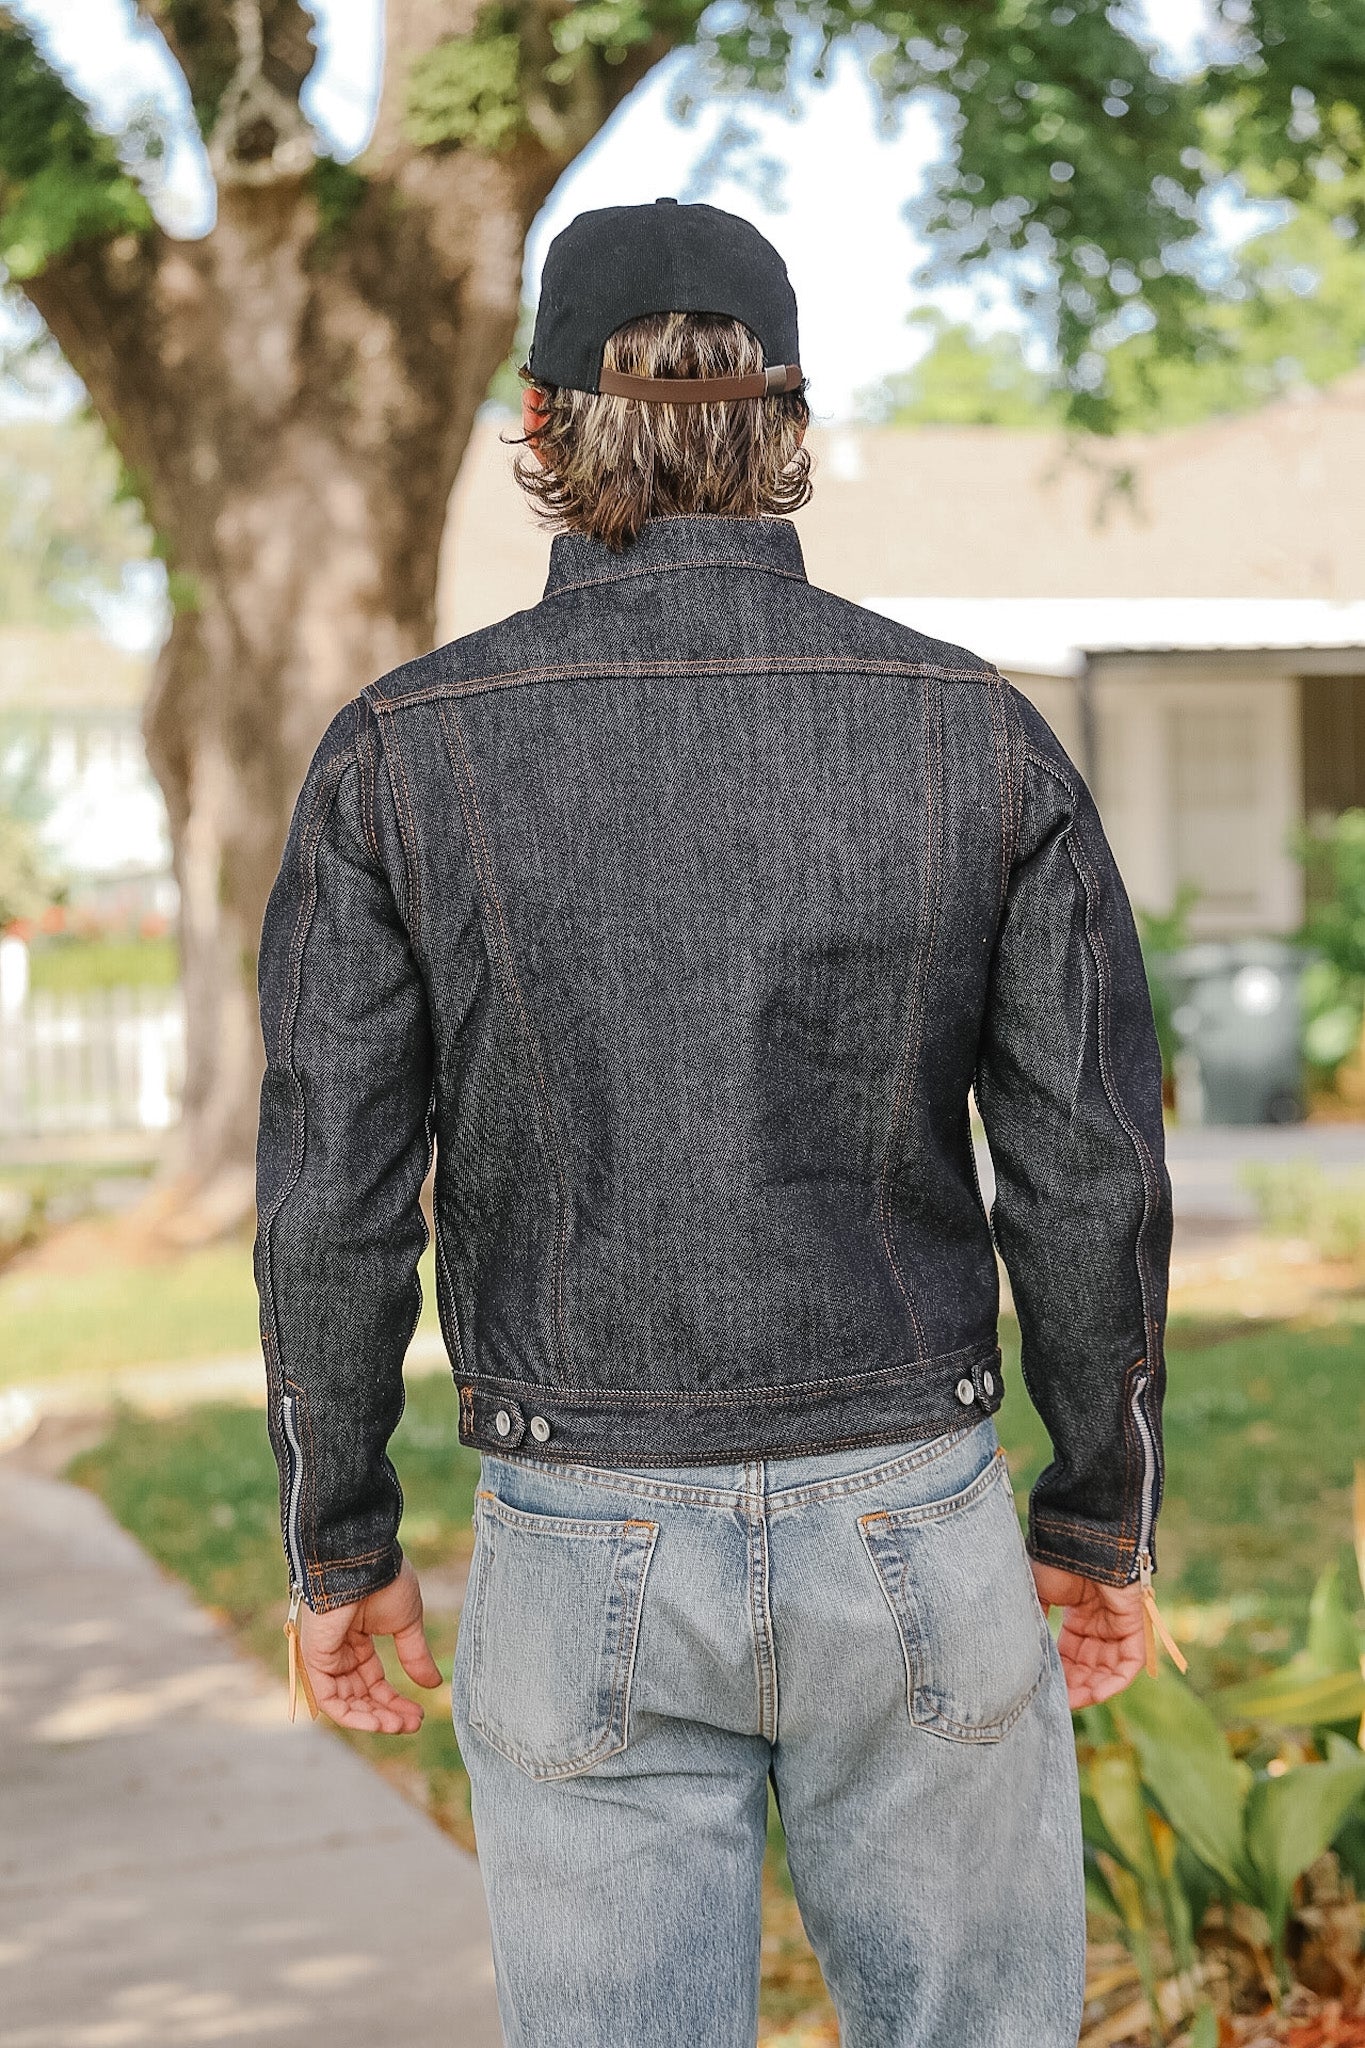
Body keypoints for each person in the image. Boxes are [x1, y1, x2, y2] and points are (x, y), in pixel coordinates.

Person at [254, 198, 1174, 2048]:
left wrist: (336, 1545)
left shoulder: (399, 753)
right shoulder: (976, 734)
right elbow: (1088, 1167)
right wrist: (1101, 1509)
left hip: (573, 1524)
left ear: (536, 425)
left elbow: (331, 1206)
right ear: (790, 426)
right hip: (914, 1513)